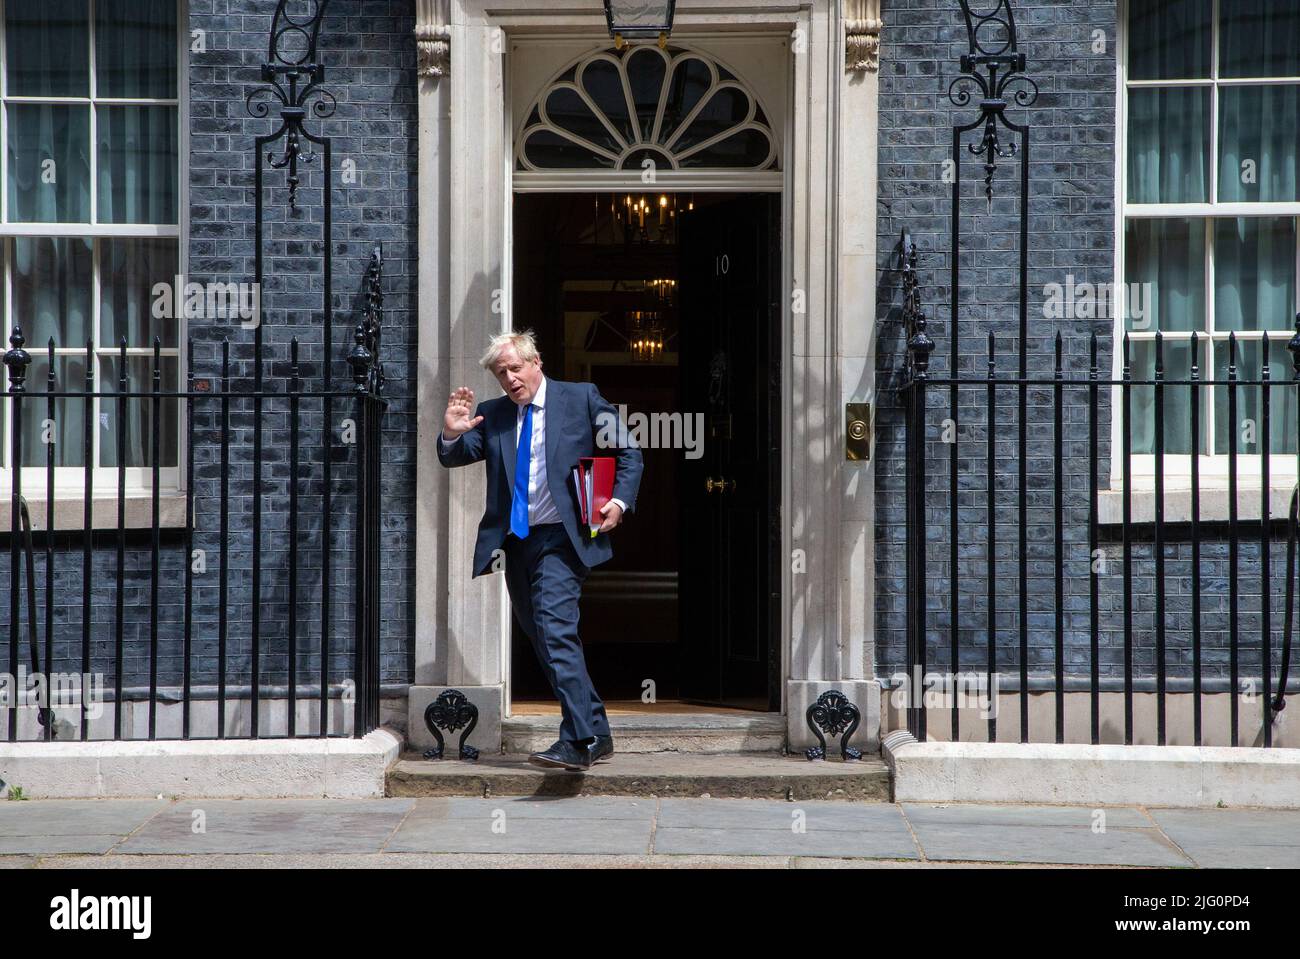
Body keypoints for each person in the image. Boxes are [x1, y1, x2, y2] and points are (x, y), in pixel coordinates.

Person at [437, 330, 644, 771]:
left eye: (515, 367)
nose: (510, 378)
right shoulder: (493, 415)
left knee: (554, 631)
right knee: (543, 638)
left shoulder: (581, 399)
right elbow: (456, 456)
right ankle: (599, 732)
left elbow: (629, 451)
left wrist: (619, 502)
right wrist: (451, 434)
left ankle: (578, 739)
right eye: (501, 373)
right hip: (518, 543)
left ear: (536, 363)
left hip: (564, 540)